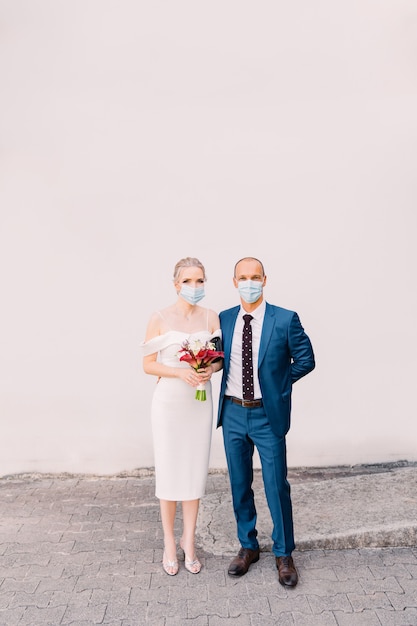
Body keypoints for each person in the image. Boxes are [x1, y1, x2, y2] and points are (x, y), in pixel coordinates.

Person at [217, 257, 315, 587]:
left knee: (276, 486)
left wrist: (277, 385)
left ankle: (284, 553)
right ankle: (248, 546)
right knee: (239, 484)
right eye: (243, 277)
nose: (249, 282)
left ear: (264, 279)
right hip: (232, 413)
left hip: (266, 415)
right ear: (234, 282)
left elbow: (306, 359)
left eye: (255, 277)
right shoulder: (225, 318)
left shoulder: (285, 319)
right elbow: (218, 360)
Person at [141, 257, 222, 576]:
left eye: (200, 281)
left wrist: (207, 370)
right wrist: (180, 373)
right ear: (176, 284)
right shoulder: (159, 317)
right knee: (170, 470)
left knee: (193, 470)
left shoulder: (211, 316)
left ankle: (189, 540)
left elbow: (218, 360)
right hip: (169, 403)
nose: (194, 287)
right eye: (188, 281)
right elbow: (148, 364)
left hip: (199, 402)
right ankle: (169, 543)